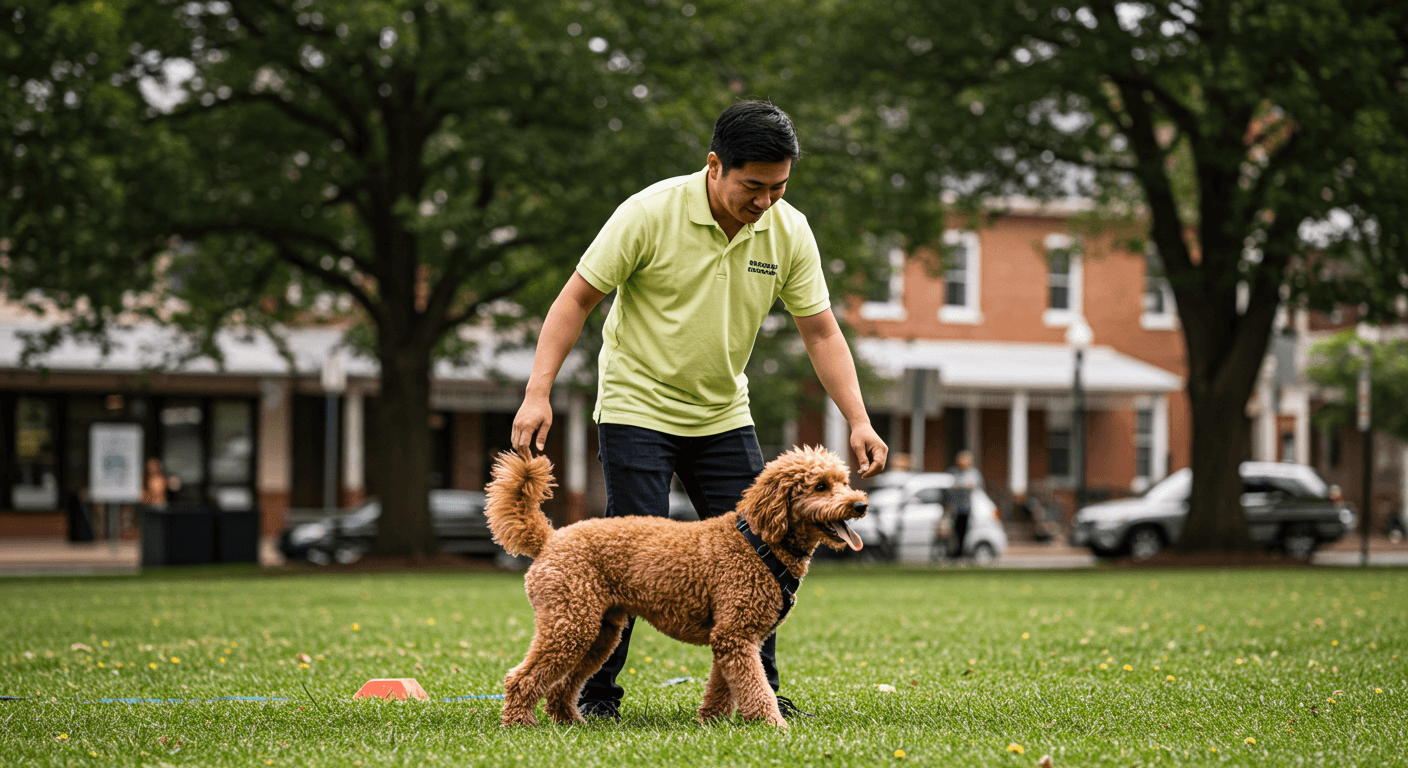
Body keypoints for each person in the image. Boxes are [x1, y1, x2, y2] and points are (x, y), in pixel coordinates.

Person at [510, 100, 887, 721]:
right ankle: (597, 698)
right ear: (715, 166)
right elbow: (575, 299)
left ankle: (757, 696)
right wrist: (537, 391)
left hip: (722, 411)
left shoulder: (788, 230)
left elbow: (821, 331)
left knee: (762, 549)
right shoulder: (649, 212)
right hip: (637, 404)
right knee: (631, 559)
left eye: (779, 186)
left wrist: (859, 418)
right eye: (753, 186)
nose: (766, 200)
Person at [945, 449, 983, 559]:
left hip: (968, 508)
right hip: (955, 508)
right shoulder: (953, 472)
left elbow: (975, 486)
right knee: (954, 531)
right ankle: (955, 551)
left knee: (966, 531)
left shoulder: (973, 473)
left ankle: (965, 552)